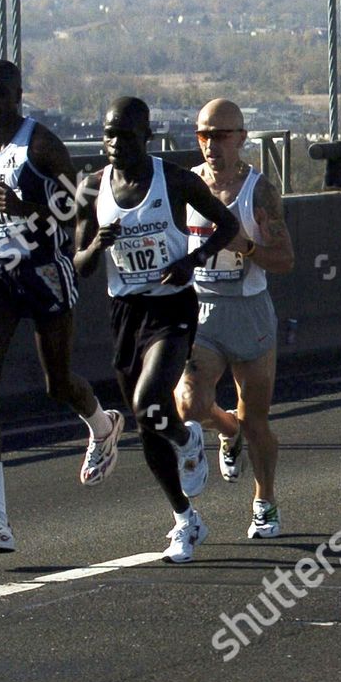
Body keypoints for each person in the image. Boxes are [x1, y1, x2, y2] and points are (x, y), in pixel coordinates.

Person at [0, 60, 117, 554]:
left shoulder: (41, 145)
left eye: (0, 93)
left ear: (19, 94)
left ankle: (102, 426)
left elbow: (74, 207)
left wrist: (26, 210)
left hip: (43, 268)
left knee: (56, 384)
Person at [74, 97, 240, 562]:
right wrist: (96, 246)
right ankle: (185, 521)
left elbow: (226, 224)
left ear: (145, 137)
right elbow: (80, 264)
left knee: (149, 403)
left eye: (125, 135)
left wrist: (193, 260)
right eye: (108, 134)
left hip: (172, 309)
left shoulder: (173, 179)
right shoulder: (92, 188)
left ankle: (188, 438)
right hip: (126, 312)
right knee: (148, 426)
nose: (114, 144)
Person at [172, 100, 295, 539]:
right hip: (201, 310)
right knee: (188, 404)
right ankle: (227, 432)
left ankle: (265, 501)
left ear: (242, 138)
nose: (211, 144)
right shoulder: (185, 186)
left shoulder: (258, 191)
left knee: (256, 419)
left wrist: (247, 247)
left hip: (249, 312)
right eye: (204, 134)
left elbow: (285, 259)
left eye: (222, 135)